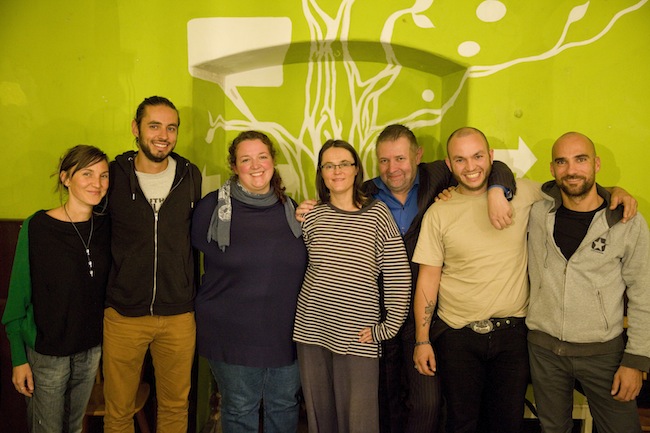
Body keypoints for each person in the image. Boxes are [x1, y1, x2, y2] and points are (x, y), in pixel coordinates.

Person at [296, 124, 517, 433]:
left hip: (423, 315)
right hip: (374, 312)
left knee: (427, 403)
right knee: (382, 399)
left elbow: (492, 166)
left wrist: (497, 191)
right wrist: (310, 206)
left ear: (418, 155)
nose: (393, 168)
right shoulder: (367, 194)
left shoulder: (438, 176)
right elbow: (335, 210)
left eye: (400, 158)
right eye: (384, 160)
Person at [412, 127, 541, 433]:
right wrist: (422, 339)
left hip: (512, 335)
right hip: (458, 336)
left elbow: (573, 189)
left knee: (506, 423)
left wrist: (615, 192)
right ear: (449, 164)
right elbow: (428, 280)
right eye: (460, 159)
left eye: (477, 156)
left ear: (491, 157)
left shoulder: (525, 193)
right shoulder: (439, 212)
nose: (470, 167)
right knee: (461, 423)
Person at [526, 132, 650, 433]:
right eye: (562, 161)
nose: (571, 169)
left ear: (596, 164)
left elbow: (643, 292)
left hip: (603, 353)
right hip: (544, 350)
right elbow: (495, 181)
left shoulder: (627, 221)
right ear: (553, 169)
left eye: (581, 159)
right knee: (554, 429)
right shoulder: (537, 213)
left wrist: (635, 361)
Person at [191, 130, 307, 432]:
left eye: (262, 157)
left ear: (273, 161)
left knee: (284, 406)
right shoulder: (211, 209)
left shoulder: (293, 210)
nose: (256, 165)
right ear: (234, 166)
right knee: (241, 408)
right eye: (246, 159)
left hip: (286, 333)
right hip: (231, 333)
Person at [293, 139, 412, 433]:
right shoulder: (310, 215)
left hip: (359, 335)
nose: (337, 171)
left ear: (356, 169)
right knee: (320, 420)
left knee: (360, 421)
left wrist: (388, 326)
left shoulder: (377, 214)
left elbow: (398, 275)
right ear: (321, 172)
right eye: (329, 166)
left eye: (344, 164)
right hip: (312, 331)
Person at [102, 96, 202, 433]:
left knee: (175, 408)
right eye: (154, 126)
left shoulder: (190, 175)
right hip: (124, 315)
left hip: (178, 315)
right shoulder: (112, 176)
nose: (163, 135)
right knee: (118, 413)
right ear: (136, 128)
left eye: (171, 127)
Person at [2, 145, 111, 433]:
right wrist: (18, 359)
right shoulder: (38, 227)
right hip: (47, 353)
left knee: (73, 428)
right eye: (87, 174)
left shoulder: (105, 227)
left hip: (90, 350)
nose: (96, 183)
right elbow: (17, 297)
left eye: (104, 175)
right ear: (66, 178)